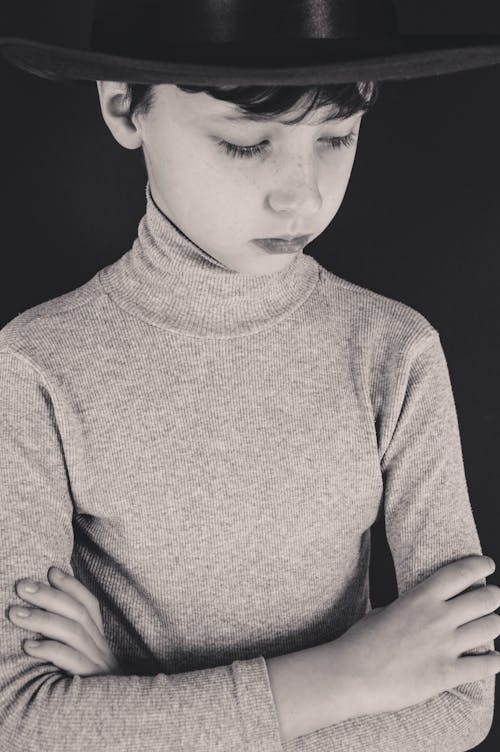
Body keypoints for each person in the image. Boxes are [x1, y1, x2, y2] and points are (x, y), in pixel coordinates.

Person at [1, 1, 500, 750]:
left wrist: (130, 709)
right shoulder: (35, 366)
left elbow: (462, 702)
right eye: (245, 144)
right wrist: (348, 676)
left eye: (337, 136)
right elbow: (24, 720)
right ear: (120, 102)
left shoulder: (395, 352)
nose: (301, 195)